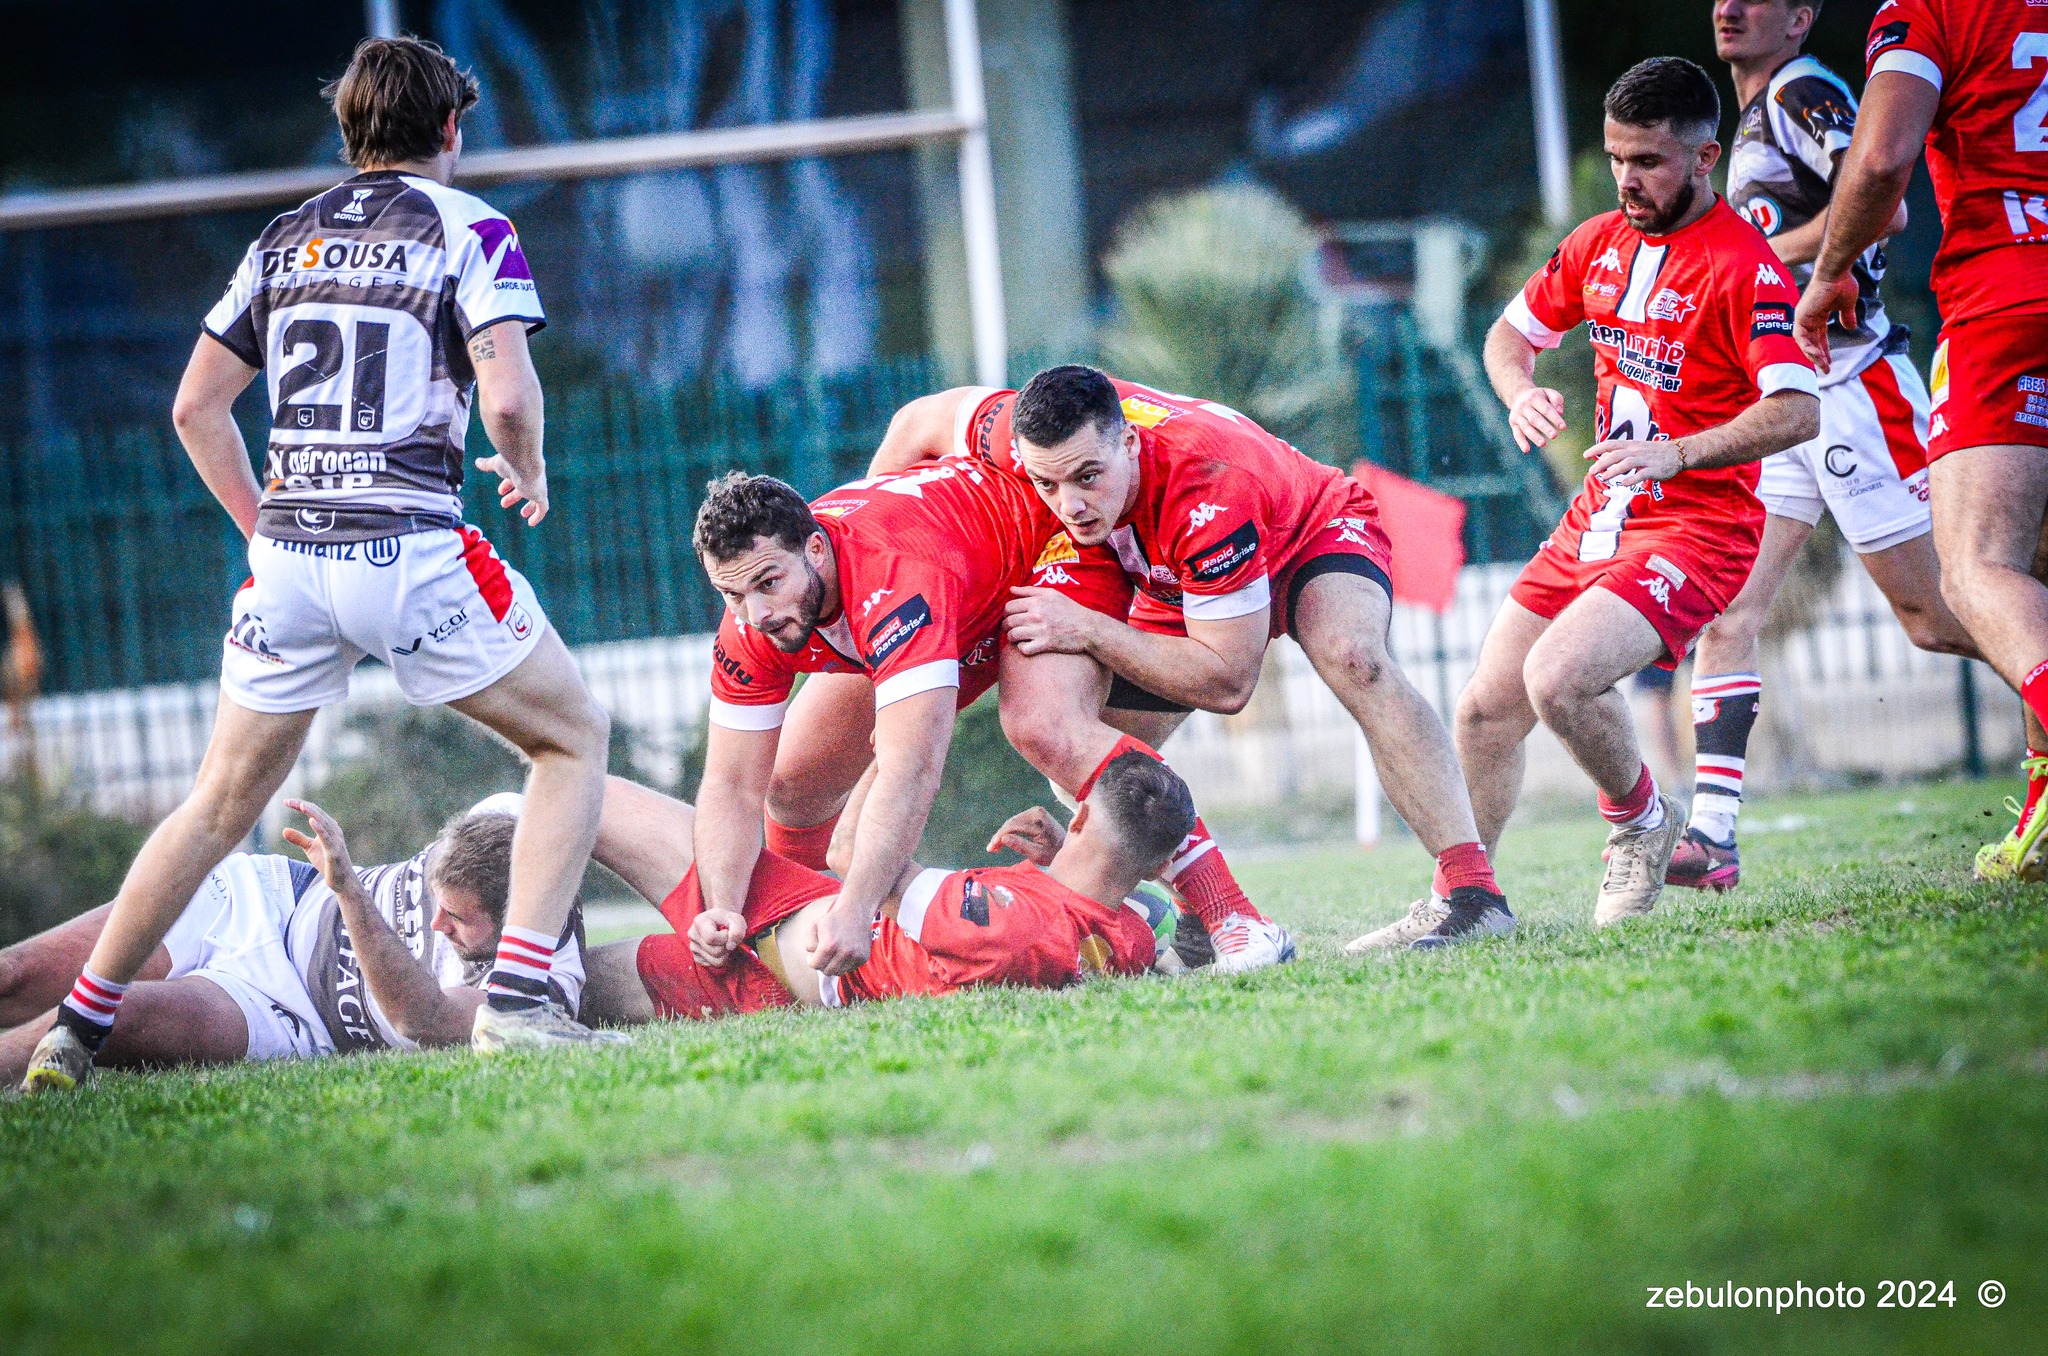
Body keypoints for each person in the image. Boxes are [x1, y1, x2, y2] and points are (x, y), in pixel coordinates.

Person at [21, 37, 618, 1093]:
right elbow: (511, 396)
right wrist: (525, 468)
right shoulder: (472, 225)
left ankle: (75, 1028)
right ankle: (520, 1005)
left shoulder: (282, 238)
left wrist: (263, 528)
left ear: (348, 134)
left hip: (290, 560)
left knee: (213, 807)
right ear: (448, 132)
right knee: (571, 740)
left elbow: (193, 407)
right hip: (410, 550)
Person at [871, 371, 1513, 955]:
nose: (1069, 505)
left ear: (1127, 444)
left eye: (1087, 477)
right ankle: (1201, 914)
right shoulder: (1020, 431)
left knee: (1354, 657)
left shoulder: (1204, 485)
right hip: (1171, 579)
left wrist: (1091, 629)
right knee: (1085, 746)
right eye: (1048, 484)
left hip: (1305, 531)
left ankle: (1472, 894)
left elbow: (1228, 682)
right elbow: (916, 424)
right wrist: (866, 530)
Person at [689, 461, 1281, 987]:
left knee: (1040, 725)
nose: (756, 613)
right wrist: (722, 905)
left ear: (816, 550)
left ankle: (1229, 913)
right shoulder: (753, 617)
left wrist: (858, 904)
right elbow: (730, 784)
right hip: (949, 591)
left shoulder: (890, 578)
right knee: (790, 787)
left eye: (768, 584)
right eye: (732, 594)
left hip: (1041, 559)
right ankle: (794, 939)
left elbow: (913, 767)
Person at [1464, 57, 1820, 926]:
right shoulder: (1596, 244)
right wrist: (1523, 394)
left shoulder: (1746, 268)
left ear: (1704, 159)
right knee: (1483, 711)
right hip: (1601, 519)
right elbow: (1506, 340)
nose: (1627, 178)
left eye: (1649, 161)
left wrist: (1681, 454)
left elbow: (1798, 411)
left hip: (1698, 529)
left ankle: (1642, 824)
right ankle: (1466, 897)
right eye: (1618, 157)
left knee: (1559, 681)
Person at [1680, 0, 1998, 892]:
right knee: (1729, 608)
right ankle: (1711, 838)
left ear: (1801, 17)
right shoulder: (1748, 115)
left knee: (1941, 617)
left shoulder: (1802, 88)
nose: (1730, 7)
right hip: (1785, 398)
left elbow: (1884, 205)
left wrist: (1755, 261)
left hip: (1852, 384)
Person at [1796, 0, 2048, 882]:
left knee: (1975, 571)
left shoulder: (1929, 11)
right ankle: (2041, 811)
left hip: (2010, 300)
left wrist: (1828, 274)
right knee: (2033, 573)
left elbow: (1881, 157)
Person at [0, 796, 608, 1085]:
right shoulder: (512, 818)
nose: (434, 926)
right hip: (261, 896)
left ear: (515, 919)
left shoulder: (535, 993)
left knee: (115, 1017)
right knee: (18, 972)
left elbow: (421, 1019)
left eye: (457, 920)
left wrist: (348, 889)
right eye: (436, 903)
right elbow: (583, 789)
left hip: (288, 1010)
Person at [584, 748, 1186, 1026]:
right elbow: (1129, 906)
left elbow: (849, 852)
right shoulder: (1128, 935)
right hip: (794, 963)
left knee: (584, 796)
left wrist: (893, 745)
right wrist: (1063, 858)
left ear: (1080, 817)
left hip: (774, 929)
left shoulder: (1008, 924)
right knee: (566, 987)